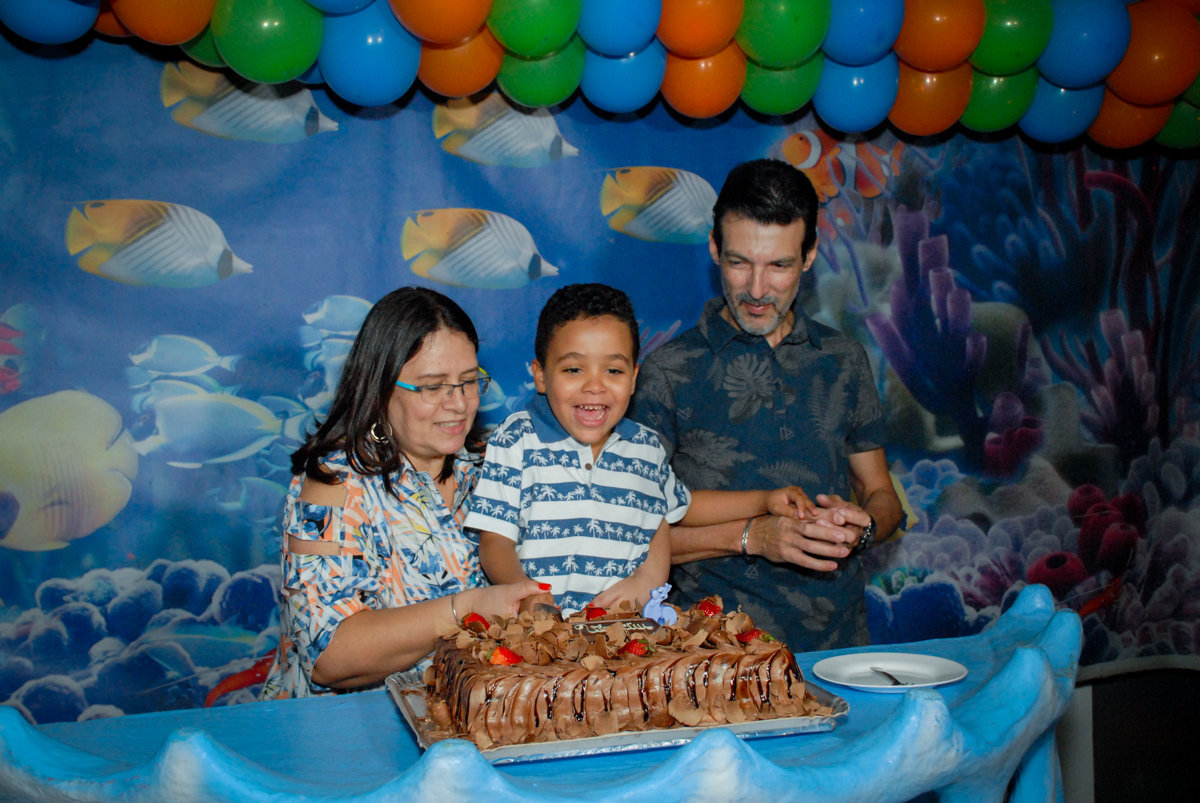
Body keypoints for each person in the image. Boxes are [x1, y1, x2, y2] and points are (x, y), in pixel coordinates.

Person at [629, 159, 904, 652]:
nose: (756, 290)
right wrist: (754, 536)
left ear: (810, 255)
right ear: (714, 249)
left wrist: (861, 530)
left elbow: (882, 494)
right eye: (739, 263)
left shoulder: (843, 360)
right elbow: (632, 539)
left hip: (839, 650)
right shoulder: (666, 372)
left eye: (779, 265)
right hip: (710, 661)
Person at [260, 287, 547, 699]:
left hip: (467, 727)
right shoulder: (332, 488)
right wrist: (463, 610)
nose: (459, 403)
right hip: (345, 739)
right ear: (379, 389)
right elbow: (329, 658)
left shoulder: (492, 465)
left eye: (468, 382)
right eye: (433, 387)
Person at [467, 283, 808, 615]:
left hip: (626, 637)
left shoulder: (645, 447)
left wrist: (763, 500)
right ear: (540, 376)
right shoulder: (516, 439)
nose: (595, 386)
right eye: (573, 369)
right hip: (539, 639)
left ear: (633, 379)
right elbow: (495, 541)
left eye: (613, 370)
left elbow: (682, 508)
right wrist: (526, 594)